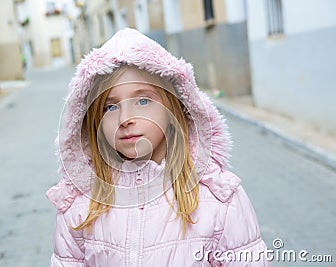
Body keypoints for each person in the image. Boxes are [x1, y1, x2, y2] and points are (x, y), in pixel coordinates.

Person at [46, 28, 271, 266]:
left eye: (143, 100)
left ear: (174, 108)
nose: (125, 119)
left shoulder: (220, 200)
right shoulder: (80, 206)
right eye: (110, 107)